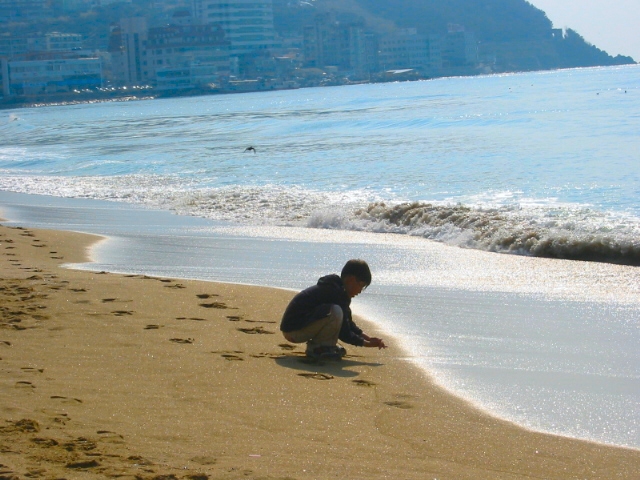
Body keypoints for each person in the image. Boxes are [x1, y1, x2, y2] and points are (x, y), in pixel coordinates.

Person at [280, 259, 387, 360]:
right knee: (335, 311)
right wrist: (366, 344)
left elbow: (348, 323)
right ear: (351, 279)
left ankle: (324, 346)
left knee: (337, 312)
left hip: (296, 329)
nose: (360, 291)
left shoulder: (338, 290)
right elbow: (344, 332)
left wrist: (368, 338)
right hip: (294, 331)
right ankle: (319, 348)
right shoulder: (335, 293)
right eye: (361, 285)